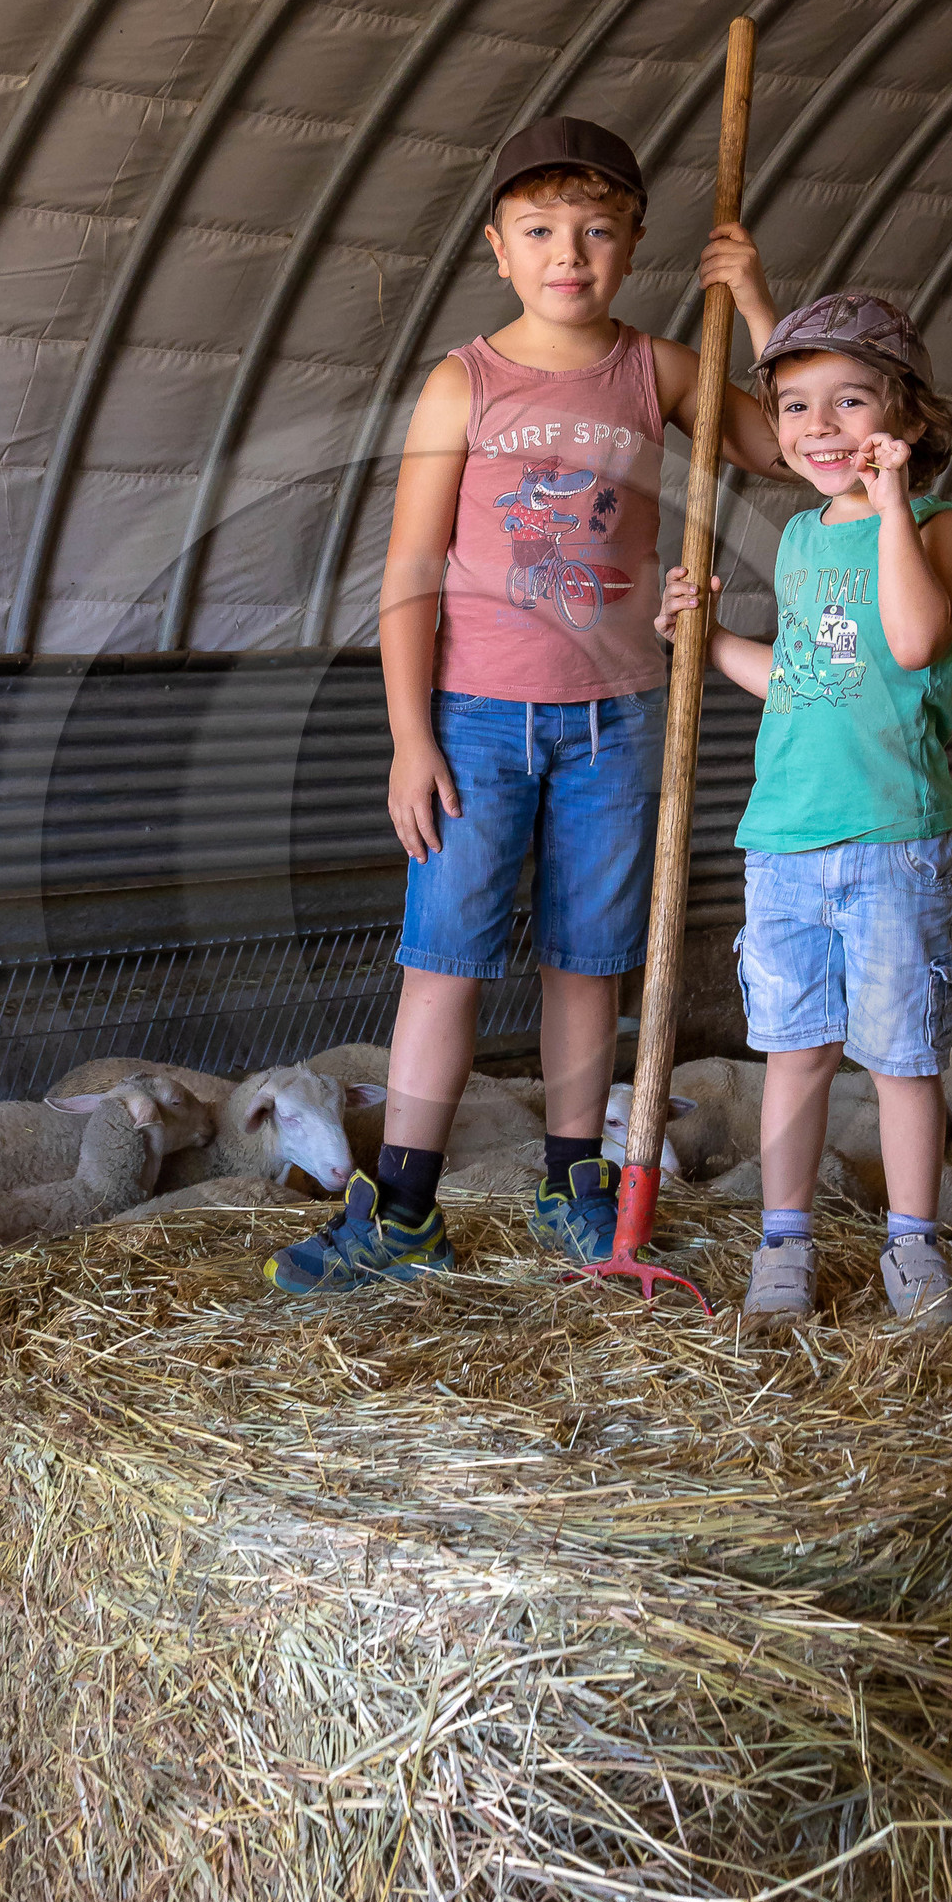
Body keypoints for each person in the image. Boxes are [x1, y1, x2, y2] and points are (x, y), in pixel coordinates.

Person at [266, 115, 785, 1294]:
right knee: (444, 960)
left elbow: (782, 446)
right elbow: (408, 575)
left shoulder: (655, 368)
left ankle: (572, 1180)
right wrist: (409, 739)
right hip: (478, 721)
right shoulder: (464, 384)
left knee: (584, 962)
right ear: (497, 248)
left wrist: (753, 302)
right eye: (542, 230)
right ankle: (402, 1209)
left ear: (636, 244)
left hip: (617, 719)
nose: (571, 253)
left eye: (598, 231)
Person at [657, 291, 952, 1328]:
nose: (820, 429)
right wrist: (702, 644)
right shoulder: (798, 542)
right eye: (796, 408)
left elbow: (912, 640)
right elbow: (804, 674)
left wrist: (890, 506)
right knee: (791, 1055)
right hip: (785, 840)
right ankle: (784, 1247)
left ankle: (911, 1250)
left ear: (907, 420)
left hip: (894, 840)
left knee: (901, 1057)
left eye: (849, 403)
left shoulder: (942, 527)